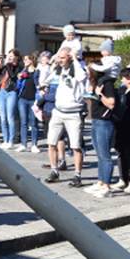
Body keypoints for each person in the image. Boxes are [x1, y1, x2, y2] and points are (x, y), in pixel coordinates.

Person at [44, 47, 86, 187]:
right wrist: (53, 63)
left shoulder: (78, 69)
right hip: (58, 112)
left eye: (62, 58)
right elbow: (46, 79)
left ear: (70, 57)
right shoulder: (60, 69)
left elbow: (82, 77)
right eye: (59, 57)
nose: (60, 60)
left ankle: (77, 175)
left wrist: (75, 59)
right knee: (51, 143)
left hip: (73, 113)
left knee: (75, 146)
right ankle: (54, 171)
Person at [84, 62, 120, 198]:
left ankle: (106, 186)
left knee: (105, 155)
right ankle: (100, 182)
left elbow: (111, 103)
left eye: (88, 70)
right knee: (99, 154)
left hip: (105, 122)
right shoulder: (97, 82)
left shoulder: (107, 83)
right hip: (96, 120)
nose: (87, 73)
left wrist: (99, 95)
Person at [16, 52, 40, 153]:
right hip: (22, 99)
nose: (24, 61)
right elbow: (18, 87)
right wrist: (19, 79)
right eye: (24, 60)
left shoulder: (37, 72)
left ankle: (34, 145)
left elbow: (39, 86)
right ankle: (23, 144)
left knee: (33, 122)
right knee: (24, 122)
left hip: (33, 99)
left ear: (31, 60)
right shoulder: (23, 72)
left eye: (26, 59)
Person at [0, 49, 21, 149]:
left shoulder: (18, 66)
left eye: (12, 55)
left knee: (10, 117)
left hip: (11, 92)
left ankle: (11, 141)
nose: (9, 57)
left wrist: (7, 65)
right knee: (3, 117)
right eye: (9, 55)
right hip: (2, 91)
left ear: (16, 57)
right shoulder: (5, 66)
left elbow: (13, 76)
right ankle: (5, 139)